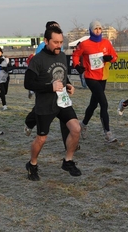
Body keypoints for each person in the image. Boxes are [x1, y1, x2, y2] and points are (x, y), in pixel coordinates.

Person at [24, 26, 81, 181]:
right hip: (45, 105)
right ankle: (32, 164)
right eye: (55, 42)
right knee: (41, 139)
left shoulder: (62, 56)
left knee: (76, 129)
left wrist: (68, 85)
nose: (59, 45)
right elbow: (28, 83)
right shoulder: (38, 60)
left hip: (62, 102)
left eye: (61, 42)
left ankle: (68, 161)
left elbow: (62, 76)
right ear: (46, 41)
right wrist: (50, 87)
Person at [72, 20, 118, 143]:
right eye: (95, 29)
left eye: (99, 28)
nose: (97, 31)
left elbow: (115, 57)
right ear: (91, 30)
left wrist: (110, 58)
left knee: (94, 104)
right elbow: (75, 55)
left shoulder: (106, 43)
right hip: (90, 77)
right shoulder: (84, 44)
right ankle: (107, 133)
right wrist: (77, 66)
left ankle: (83, 124)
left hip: (102, 77)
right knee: (104, 103)